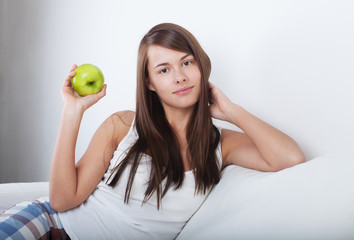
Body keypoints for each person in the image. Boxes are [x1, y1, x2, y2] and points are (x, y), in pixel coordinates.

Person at [0, 23, 305, 240]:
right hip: (51, 223)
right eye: (164, 70)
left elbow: (290, 158)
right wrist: (73, 111)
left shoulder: (220, 145)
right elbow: (62, 201)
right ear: (149, 83)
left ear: (202, 67)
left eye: (187, 62)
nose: (180, 77)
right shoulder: (123, 126)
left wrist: (232, 111)